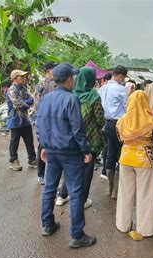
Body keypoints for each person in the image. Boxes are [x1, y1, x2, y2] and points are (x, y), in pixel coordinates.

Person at [37, 63, 96, 248]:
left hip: (52, 150)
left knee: (49, 188)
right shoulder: (71, 99)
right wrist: (86, 151)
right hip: (70, 151)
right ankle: (77, 234)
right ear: (69, 79)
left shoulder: (45, 98)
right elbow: (78, 129)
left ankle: (47, 224)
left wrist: (44, 146)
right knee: (76, 192)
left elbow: (39, 124)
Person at [55, 67, 105, 209]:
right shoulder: (93, 96)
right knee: (86, 170)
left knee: (70, 169)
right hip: (90, 139)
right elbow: (101, 119)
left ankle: (62, 195)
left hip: (72, 139)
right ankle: (82, 200)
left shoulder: (70, 94)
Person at [116, 90, 153, 241]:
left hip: (126, 158)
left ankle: (123, 224)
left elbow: (120, 139)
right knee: (146, 195)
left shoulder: (122, 121)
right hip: (145, 160)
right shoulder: (151, 122)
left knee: (125, 193)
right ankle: (146, 229)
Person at [99, 65, 128, 199]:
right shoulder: (120, 89)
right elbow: (127, 108)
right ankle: (116, 189)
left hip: (106, 124)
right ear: (121, 76)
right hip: (118, 124)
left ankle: (110, 188)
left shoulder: (102, 88)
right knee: (121, 153)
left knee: (110, 152)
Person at [6, 69, 37, 171]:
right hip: (15, 120)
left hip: (25, 119)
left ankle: (32, 159)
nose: (24, 78)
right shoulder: (11, 90)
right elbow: (19, 104)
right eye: (21, 77)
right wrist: (26, 103)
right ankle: (13, 160)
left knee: (29, 140)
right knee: (14, 141)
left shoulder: (23, 88)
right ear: (15, 78)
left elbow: (31, 99)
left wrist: (25, 103)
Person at [34, 61, 57, 185]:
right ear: (48, 70)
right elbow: (37, 103)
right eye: (54, 69)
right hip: (44, 119)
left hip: (53, 119)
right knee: (42, 146)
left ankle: (50, 174)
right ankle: (40, 174)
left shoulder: (55, 83)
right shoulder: (42, 84)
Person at [98, 72, 112, 180]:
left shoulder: (100, 90)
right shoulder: (114, 89)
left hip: (104, 122)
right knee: (108, 147)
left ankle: (105, 170)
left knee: (106, 147)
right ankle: (105, 170)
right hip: (108, 122)